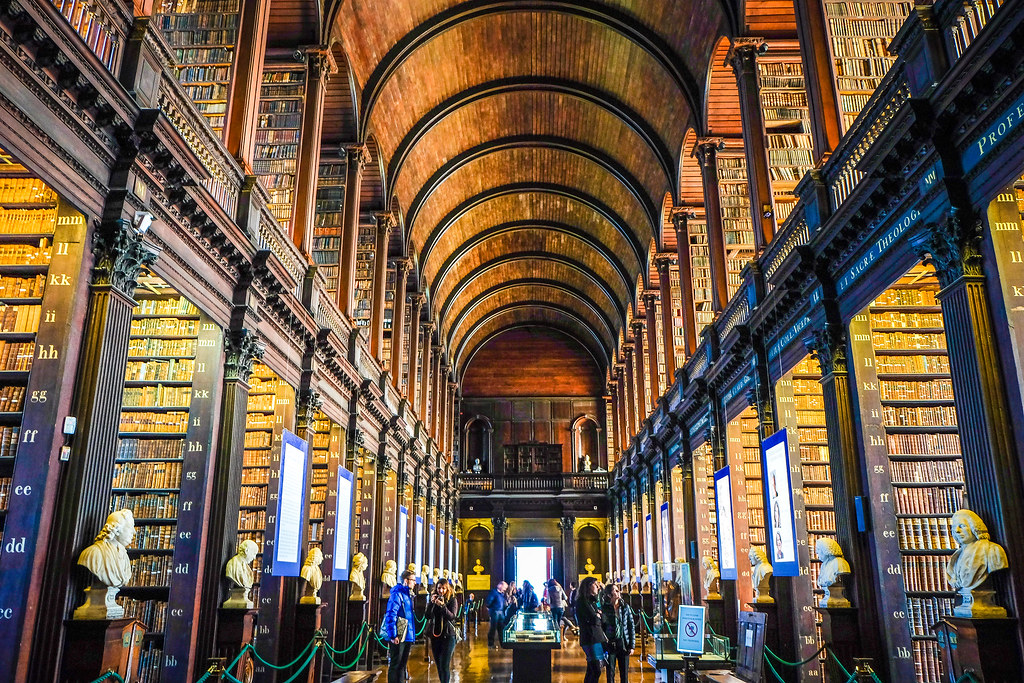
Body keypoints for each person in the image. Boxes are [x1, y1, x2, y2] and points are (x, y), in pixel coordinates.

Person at [382, 569, 417, 683]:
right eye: (413, 580)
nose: (415, 583)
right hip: (398, 636)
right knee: (395, 664)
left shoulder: (408, 595)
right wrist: (393, 635)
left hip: (407, 635)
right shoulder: (397, 595)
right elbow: (391, 614)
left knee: (402, 665)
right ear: (406, 581)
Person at [426, 578, 460, 683]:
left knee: (445, 664)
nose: (441, 591)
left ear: (447, 589)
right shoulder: (433, 599)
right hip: (435, 635)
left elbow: (452, 616)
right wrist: (431, 603)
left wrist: (442, 606)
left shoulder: (452, 600)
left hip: (448, 635)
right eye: (439, 588)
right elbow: (427, 616)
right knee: (439, 664)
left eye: (443, 588)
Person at [601, 583, 635, 683]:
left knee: (624, 674)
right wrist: (603, 645)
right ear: (609, 595)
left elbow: (631, 626)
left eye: (617, 590)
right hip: (610, 644)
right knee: (610, 673)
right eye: (615, 591)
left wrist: (632, 645)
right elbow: (602, 627)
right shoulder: (604, 609)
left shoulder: (625, 607)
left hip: (623, 643)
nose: (618, 592)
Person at [575, 576, 606, 683]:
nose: (597, 586)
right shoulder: (582, 601)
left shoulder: (593, 600)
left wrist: (598, 615)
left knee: (591, 669)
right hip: (590, 638)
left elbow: (603, 619)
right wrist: (597, 615)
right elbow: (594, 619)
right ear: (588, 586)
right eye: (595, 584)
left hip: (597, 637)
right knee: (596, 669)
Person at [485, 580, 508, 648]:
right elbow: (488, 602)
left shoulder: (501, 594)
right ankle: (491, 644)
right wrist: (491, 609)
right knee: (493, 628)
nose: (505, 589)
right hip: (495, 612)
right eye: (504, 587)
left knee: (501, 629)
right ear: (500, 585)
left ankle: (502, 644)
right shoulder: (494, 592)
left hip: (501, 612)